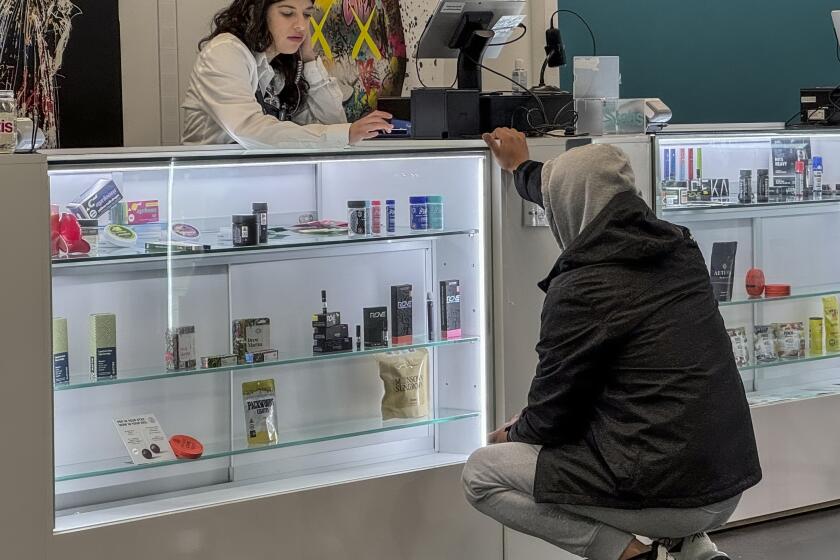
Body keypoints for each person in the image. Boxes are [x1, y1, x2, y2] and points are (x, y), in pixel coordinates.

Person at [463, 129, 763, 560]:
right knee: (642, 407)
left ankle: (626, 554)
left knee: (482, 473)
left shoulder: (582, 287)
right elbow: (573, 187)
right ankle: (693, 549)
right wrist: (519, 168)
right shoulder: (681, 251)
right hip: (728, 483)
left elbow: (551, 419)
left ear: (568, 209)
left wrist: (513, 432)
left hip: (669, 491)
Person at [182, 0, 393, 149]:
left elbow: (330, 122)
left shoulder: (280, 64)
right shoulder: (225, 51)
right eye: (287, 13)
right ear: (258, 12)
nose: (301, 25)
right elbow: (250, 130)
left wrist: (309, 58)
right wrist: (345, 133)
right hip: (208, 184)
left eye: (307, 14)